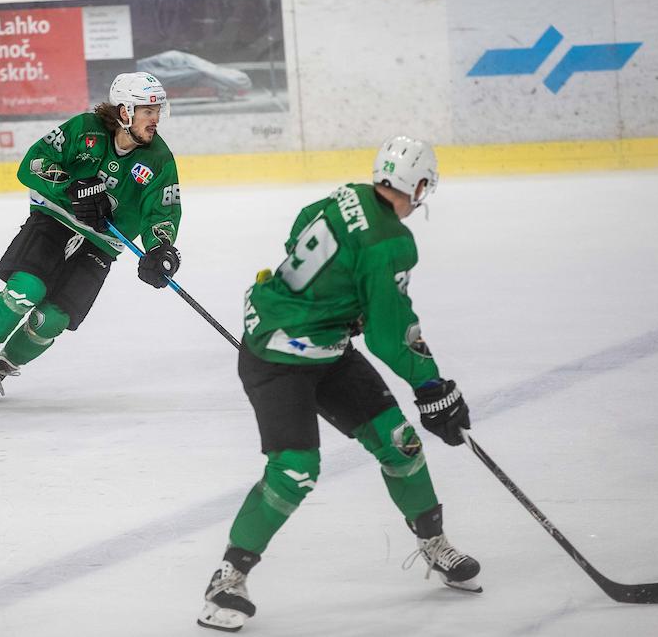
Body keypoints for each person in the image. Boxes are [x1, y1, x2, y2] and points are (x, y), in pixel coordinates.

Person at [197, 136, 478, 632]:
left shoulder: (343, 195)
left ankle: (433, 543)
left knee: (401, 442)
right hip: (276, 359)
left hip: (325, 349)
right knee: (296, 470)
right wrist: (432, 388)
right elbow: (392, 335)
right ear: (416, 185)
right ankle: (228, 578)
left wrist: (337, 302)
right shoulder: (391, 240)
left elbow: (299, 232)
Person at [0, 72, 182, 405]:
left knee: (52, 320)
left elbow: (163, 211)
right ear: (125, 112)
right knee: (25, 290)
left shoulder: (159, 160)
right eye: (148, 110)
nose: (155, 118)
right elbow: (33, 163)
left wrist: (161, 249)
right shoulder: (85, 129)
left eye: (158, 110)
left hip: (101, 243)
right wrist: (69, 188)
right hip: (55, 219)